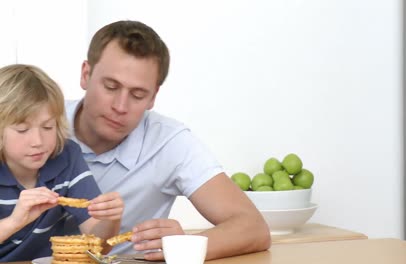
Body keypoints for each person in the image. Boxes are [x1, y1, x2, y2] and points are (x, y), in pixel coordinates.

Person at [65, 20, 271, 260]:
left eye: (138, 94)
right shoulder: (37, 124)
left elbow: (253, 227)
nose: (120, 106)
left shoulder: (170, 142)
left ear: (153, 97)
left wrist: (183, 245)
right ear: (85, 75)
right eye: (110, 87)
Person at [0, 64, 124, 261]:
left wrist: (110, 219)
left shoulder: (66, 156)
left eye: (48, 127)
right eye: (22, 130)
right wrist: (15, 221)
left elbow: (98, 244)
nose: (38, 142)